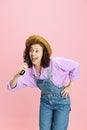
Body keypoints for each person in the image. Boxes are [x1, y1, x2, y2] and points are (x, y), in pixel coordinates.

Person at [7, 35, 80, 130]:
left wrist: (71, 85)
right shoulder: (30, 72)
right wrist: (17, 75)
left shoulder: (55, 63)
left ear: (43, 53)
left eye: (37, 51)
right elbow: (11, 86)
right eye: (31, 50)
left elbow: (75, 66)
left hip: (62, 102)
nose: (33, 54)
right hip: (45, 103)